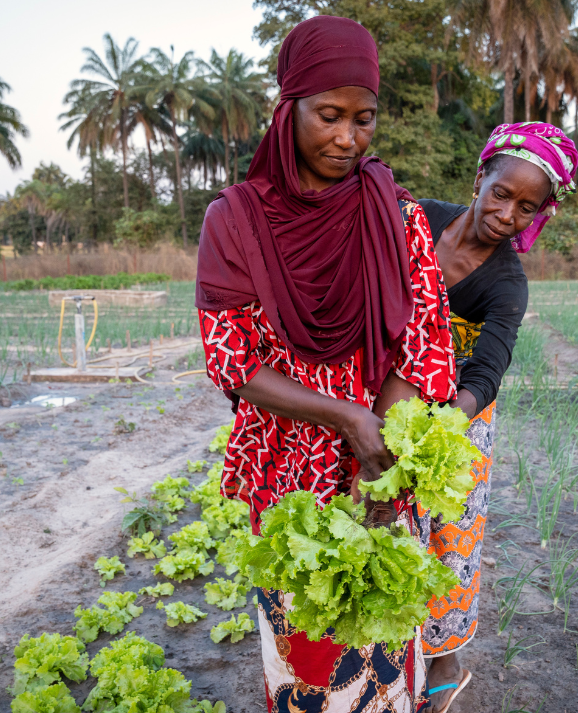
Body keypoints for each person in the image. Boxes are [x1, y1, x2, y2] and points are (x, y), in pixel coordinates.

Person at [195, 15, 457, 713]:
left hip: (379, 461)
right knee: (304, 650)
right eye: (329, 116)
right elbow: (233, 360)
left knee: (380, 644)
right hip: (285, 466)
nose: (347, 138)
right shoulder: (236, 220)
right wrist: (346, 415)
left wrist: (384, 455)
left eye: (364, 118)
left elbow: (422, 342)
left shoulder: (397, 213)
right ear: (290, 109)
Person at [417, 122, 578, 711]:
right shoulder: (419, 218)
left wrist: (441, 425)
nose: (508, 213)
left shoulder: (507, 282)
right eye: (502, 193)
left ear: (541, 215)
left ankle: (444, 653)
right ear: (480, 176)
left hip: (456, 414)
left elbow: (487, 370)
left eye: (527, 207)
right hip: (379, 395)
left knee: (451, 532)